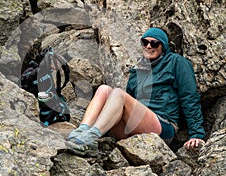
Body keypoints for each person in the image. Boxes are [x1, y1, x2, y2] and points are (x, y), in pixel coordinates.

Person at [65, 27, 206, 156]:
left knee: (118, 94)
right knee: (104, 89)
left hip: (162, 126)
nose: (149, 46)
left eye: (154, 43)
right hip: (133, 126)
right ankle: (80, 133)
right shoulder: (138, 69)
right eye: (145, 42)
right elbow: (124, 106)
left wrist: (197, 134)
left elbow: (189, 97)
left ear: (163, 46)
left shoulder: (176, 62)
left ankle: (91, 138)